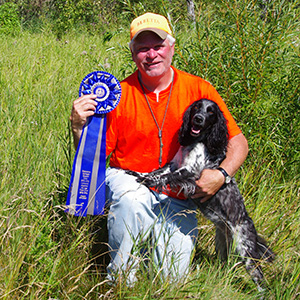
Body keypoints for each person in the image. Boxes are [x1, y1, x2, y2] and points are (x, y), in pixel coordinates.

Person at [70, 12, 249, 285]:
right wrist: (78, 128)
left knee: (172, 281)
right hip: (130, 181)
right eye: (142, 48)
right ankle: (120, 284)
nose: (151, 54)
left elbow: (239, 142)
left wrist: (221, 175)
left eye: (158, 46)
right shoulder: (118, 94)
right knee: (132, 200)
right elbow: (93, 160)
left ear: (172, 48)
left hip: (178, 195)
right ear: (133, 55)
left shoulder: (198, 89)